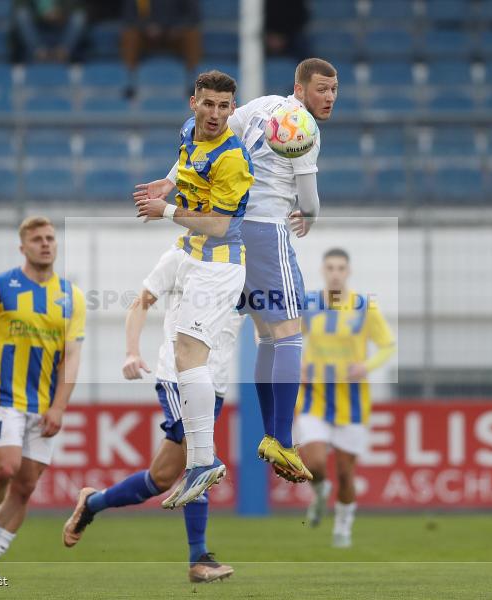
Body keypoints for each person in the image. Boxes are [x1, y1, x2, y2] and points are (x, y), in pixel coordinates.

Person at [138, 58, 338, 484]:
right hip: (266, 231)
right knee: (289, 335)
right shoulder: (304, 128)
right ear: (300, 90)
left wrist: (170, 181)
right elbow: (309, 200)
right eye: (322, 89)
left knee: (266, 335)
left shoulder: (262, 105)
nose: (329, 98)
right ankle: (281, 438)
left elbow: (215, 135)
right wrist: (311, 217)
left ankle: (270, 436)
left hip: (230, 236)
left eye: (333, 90)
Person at [63, 244, 242, 583]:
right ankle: (199, 558)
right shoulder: (181, 255)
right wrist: (131, 352)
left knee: (159, 478)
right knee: (201, 458)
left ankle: (92, 503)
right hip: (177, 377)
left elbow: (268, 321)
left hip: (213, 388)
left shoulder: (242, 265)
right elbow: (140, 302)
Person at [133, 70, 253, 509]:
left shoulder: (232, 158)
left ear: (233, 109)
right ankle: (201, 462)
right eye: (209, 104)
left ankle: (203, 461)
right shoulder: (189, 131)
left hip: (219, 264)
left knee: (189, 357)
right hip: (197, 258)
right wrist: (170, 182)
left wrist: (166, 209)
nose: (216, 114)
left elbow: (219, 226)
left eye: (224, 106)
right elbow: (186, 159)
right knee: (187, 357)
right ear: (194, 103)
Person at [0, 216, 85, 579]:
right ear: (23, 247)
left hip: (43, 405)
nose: (45, 244)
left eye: (50, 238)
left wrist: (59, 407)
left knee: (26, 486)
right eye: (37, 239)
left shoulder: (71, 297)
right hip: (3, 396)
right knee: (6, 468)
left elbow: (72, 357)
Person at [296, 248, 396, 549]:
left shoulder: (365, 307)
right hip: (314, 397)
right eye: (330, 268)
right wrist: (296, 363)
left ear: (348, 272)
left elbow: (388, 346)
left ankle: (342, 526)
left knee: (345, 472)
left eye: (341, 268)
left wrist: (366, 366)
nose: (335, 273)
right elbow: (286, 337)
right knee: (314, 463)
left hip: (351, 402)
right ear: (323, 271)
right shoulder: (308, 304)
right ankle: (319, 492)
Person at [120, 0, 201, 95]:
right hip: (146, 37)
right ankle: (130, 82)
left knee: (192, 34)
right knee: (130, 35)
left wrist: (178, 28)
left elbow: (194, 16)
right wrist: (146, 27)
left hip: (176, 36)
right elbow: (129, 17)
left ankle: (193, 82)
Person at [12, 0, 88, 62]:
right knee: (22, 14)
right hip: (37, 23)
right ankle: (39, 52)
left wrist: (60, 13)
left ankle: (62, 53)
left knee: (79, 17)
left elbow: (76, 5)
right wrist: (41, 14)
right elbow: (19, 4)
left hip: (62, 22)